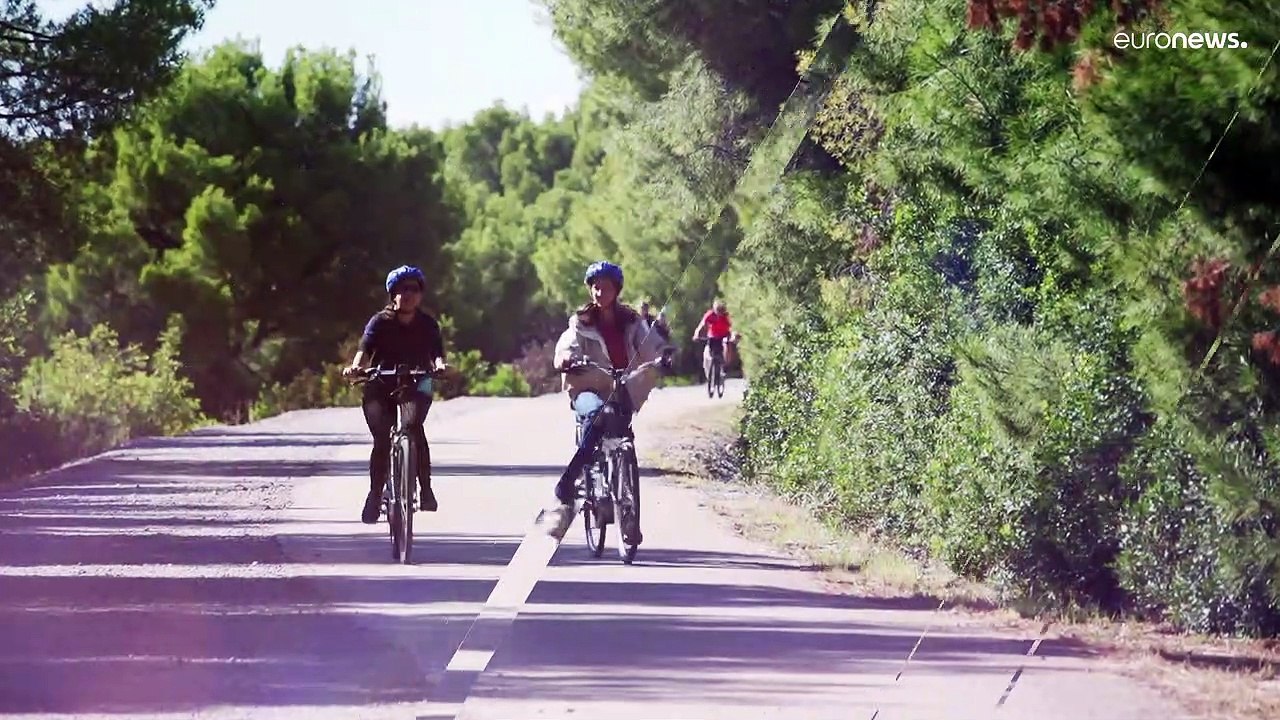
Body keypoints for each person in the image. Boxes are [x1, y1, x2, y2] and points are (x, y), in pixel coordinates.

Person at [541, 260, 664, 539]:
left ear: (616, 290)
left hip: (622, 389)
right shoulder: (581, 322)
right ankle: (568, 482)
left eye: (605, 288)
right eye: (595, 287)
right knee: (597, 416)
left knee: (623, 439)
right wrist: (565, 359)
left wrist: (660, 360)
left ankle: (628, 518)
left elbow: (649, 348)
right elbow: (564, 348)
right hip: (587, 387)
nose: (599, 292)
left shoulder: (632, 322)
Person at [342, 265, 448, 524]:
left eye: (413, 289)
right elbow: (364, 348)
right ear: (392, 294)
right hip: (381, 382)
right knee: (382, 438)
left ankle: (425, 490)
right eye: (401, 289)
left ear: (421, 294)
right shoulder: (380, 322)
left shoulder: (427, 324)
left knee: (413, 427)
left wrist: (440, 366)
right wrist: (356, 367)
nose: (407, 294)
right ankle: (375, 494)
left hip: (417, 382)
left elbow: (437, 352)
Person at [690, 298, 738, 371]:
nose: (719, 314)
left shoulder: (727, 316)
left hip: (724, 335)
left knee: (727, 345)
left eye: (721, 311)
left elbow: (733, 327)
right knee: (710, 350)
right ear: (715, 310)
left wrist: (734, 336)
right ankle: (710, 367)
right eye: (717, 311)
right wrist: (696, 335)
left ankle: (725, 365)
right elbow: (702, 325)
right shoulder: (710, 314)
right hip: (713, 336)